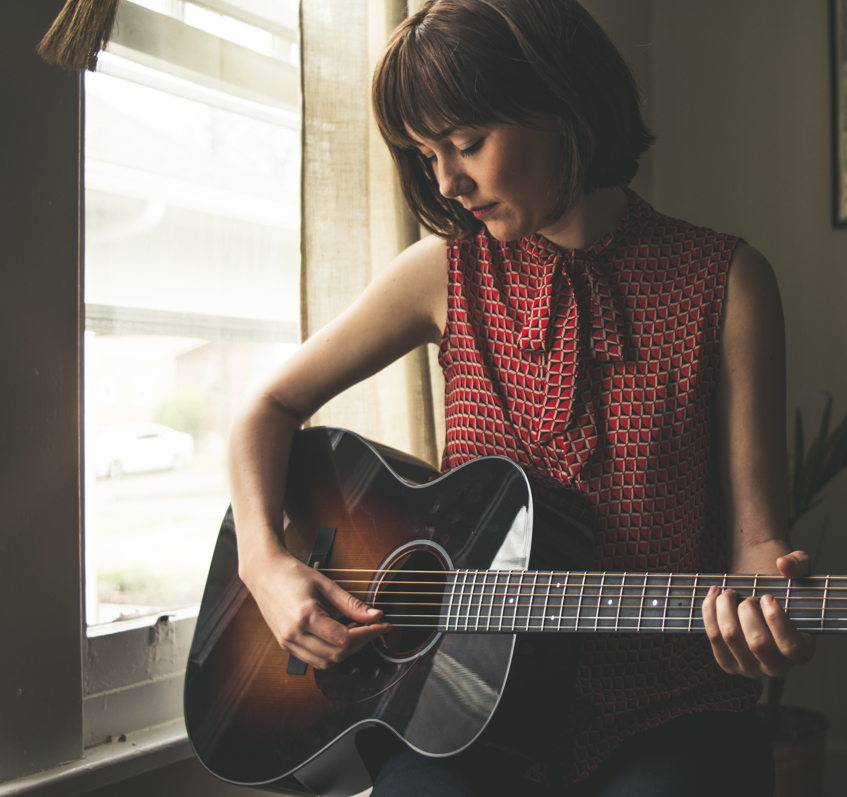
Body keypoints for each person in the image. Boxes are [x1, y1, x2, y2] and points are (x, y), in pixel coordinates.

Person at [228, 0, 814, 793]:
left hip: (670, 709)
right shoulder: (442, 274)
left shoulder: (728, 284)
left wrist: (765, 612)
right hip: (458, 710)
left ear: (563, 106)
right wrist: (264, 563)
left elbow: (756, 542)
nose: (445, 179)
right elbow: (265, 408)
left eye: (467, 142)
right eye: (426, 152)